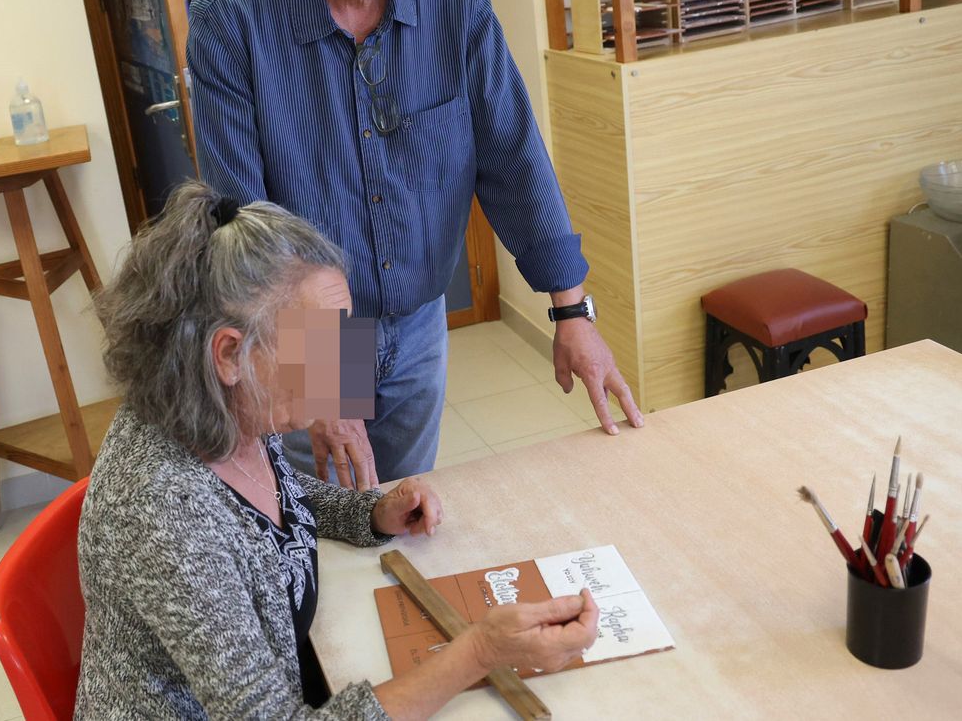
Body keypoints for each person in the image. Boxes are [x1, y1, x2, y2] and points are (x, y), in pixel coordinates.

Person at [187, 0, 644, 490]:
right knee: (317, 525)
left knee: (401, 512)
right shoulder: (233, 16)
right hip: (300, 338)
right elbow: (243, 221)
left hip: (418, 327)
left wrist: (572, 312)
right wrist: (323, 383)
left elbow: (514, 159)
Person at [76, 180, 599, 719]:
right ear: (229, 354)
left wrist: (368, 513)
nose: (346, 369)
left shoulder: (227, 407)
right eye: (323, 343)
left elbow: (267, 501)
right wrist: (480, 652)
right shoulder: (165, 510)